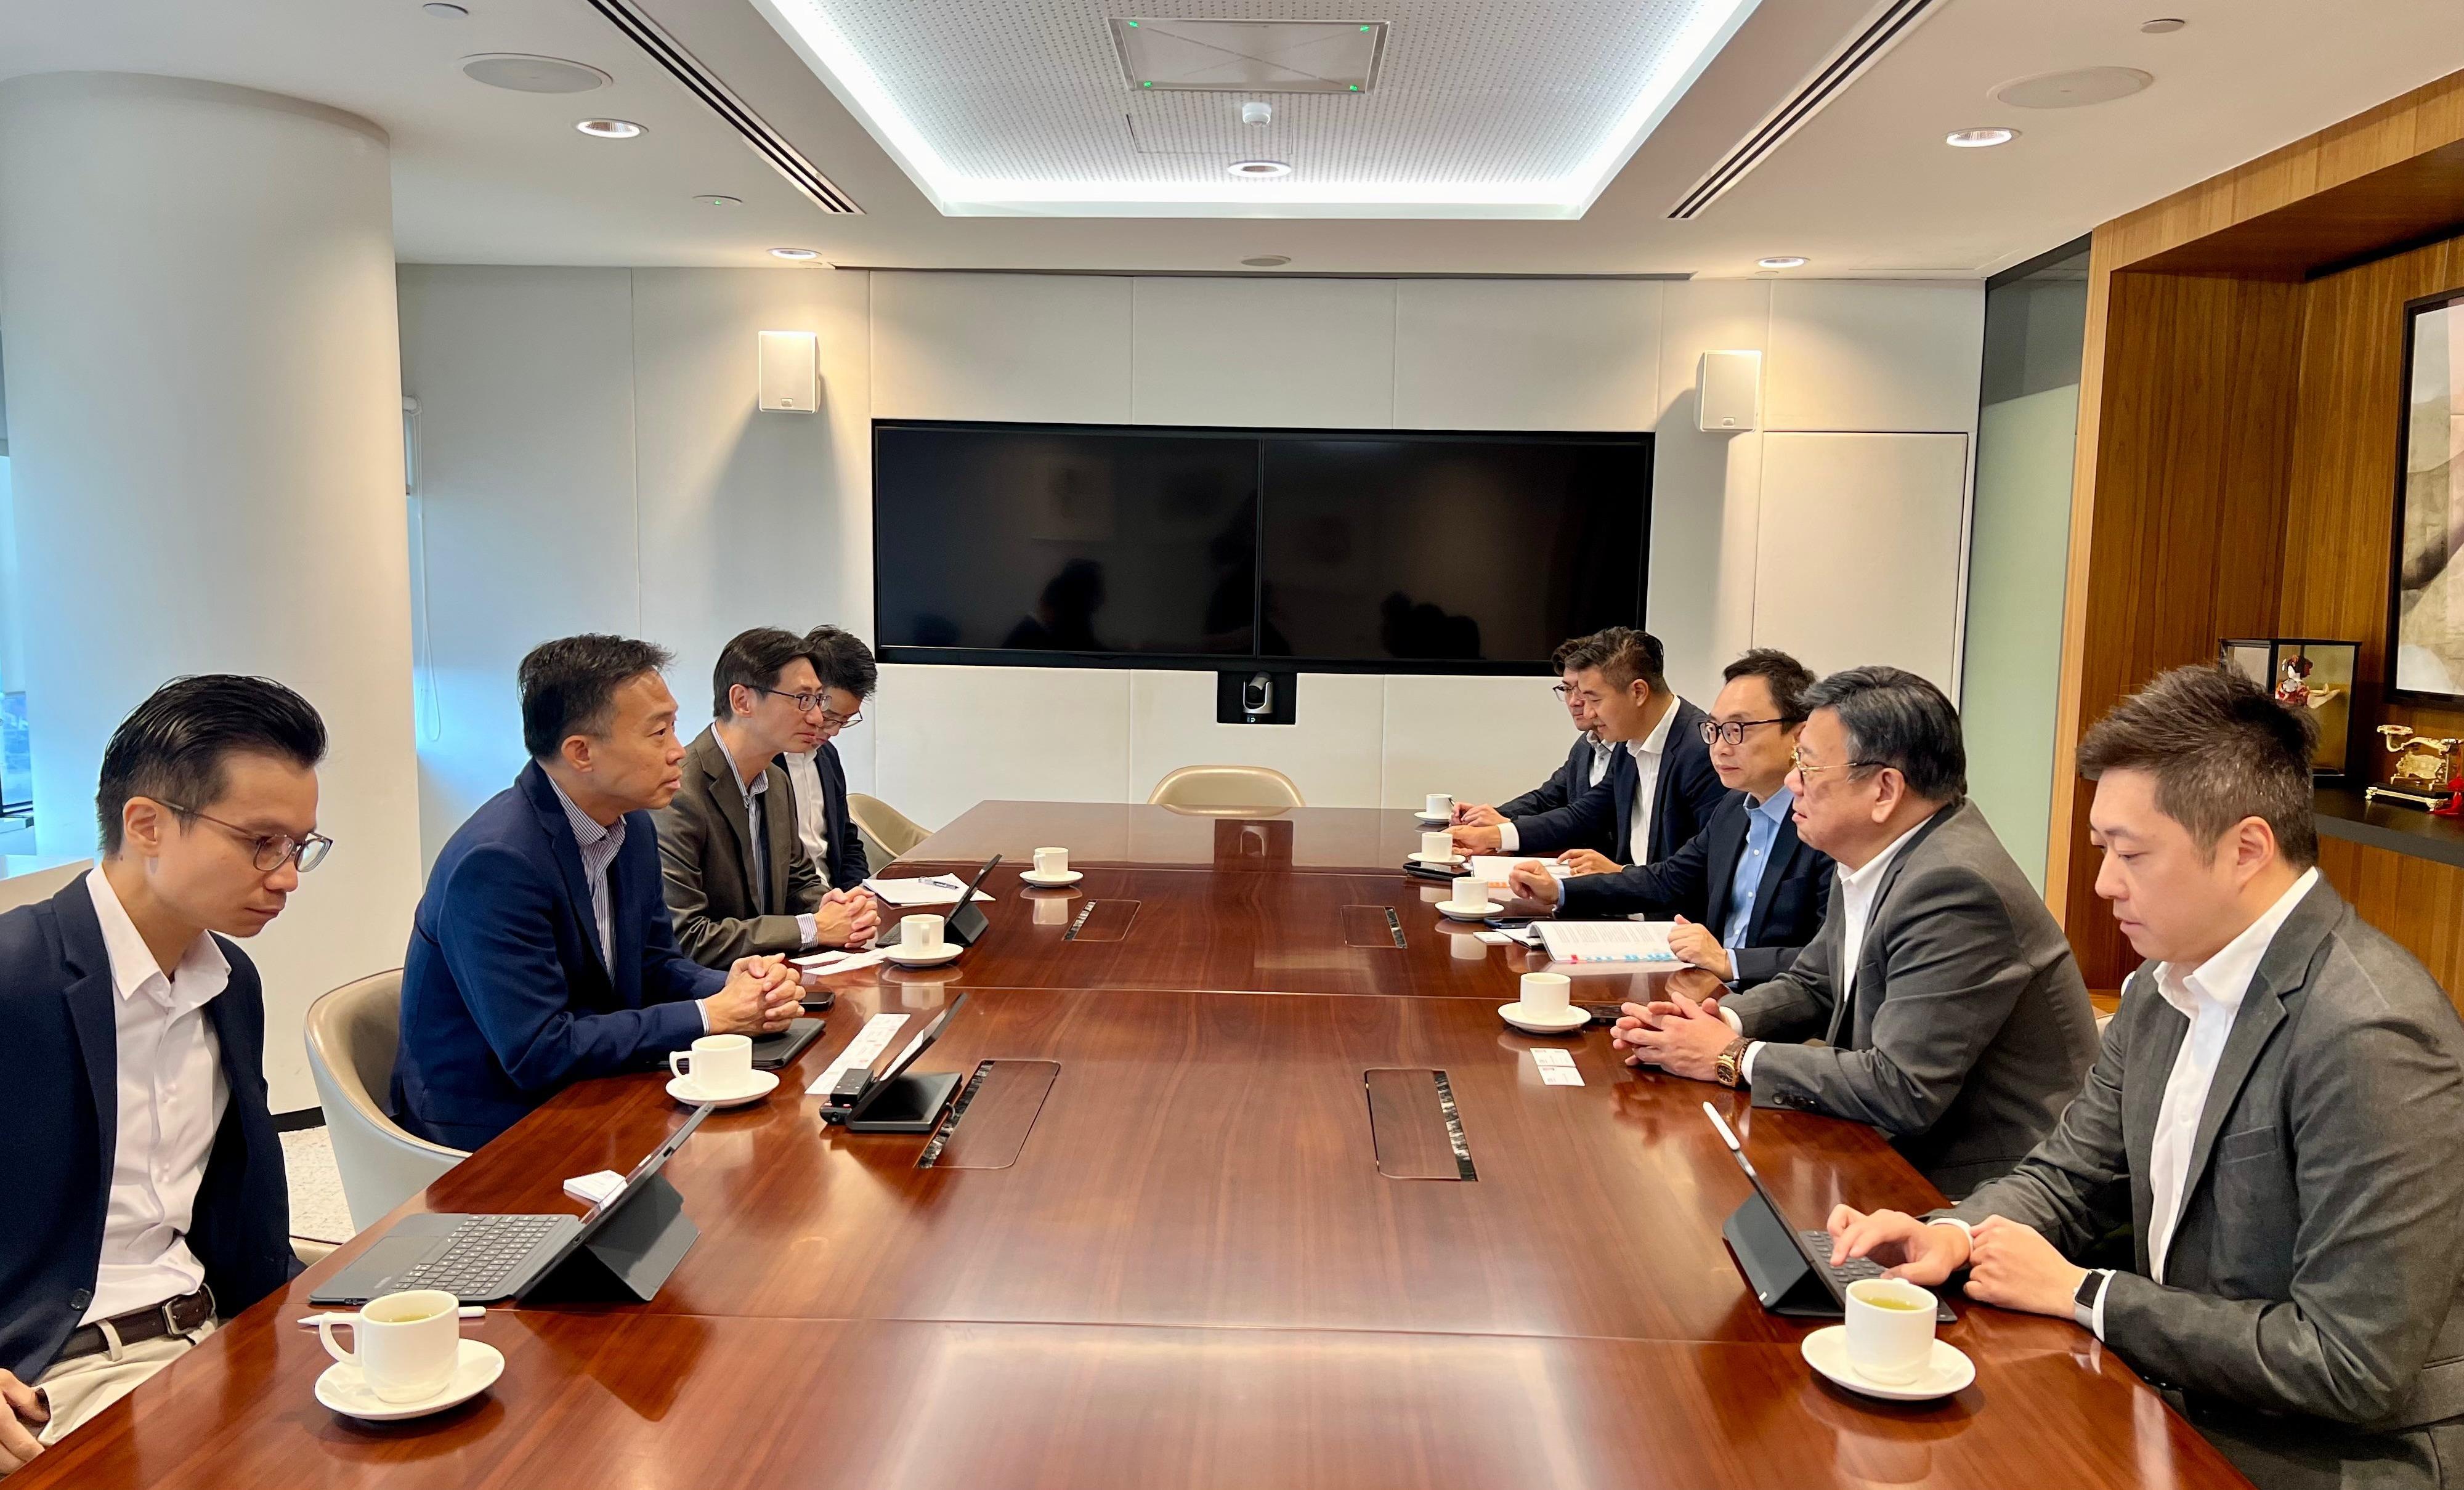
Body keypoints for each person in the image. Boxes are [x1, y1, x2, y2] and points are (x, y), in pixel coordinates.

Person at [1828, 665, 2464, 1489]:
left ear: (2246, 849)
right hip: (2178, 1394)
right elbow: (2072, 1174)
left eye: (2131, 853)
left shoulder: (2369, 1031)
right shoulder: (2164, 984)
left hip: (2325, 1454)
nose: (2103, 884)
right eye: (2103, 849)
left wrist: (2087, 1292)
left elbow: (2350, 1360)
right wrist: (1955, 1231)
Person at [1, 676, 330, 1473]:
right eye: (261, 842)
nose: (286, 875)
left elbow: (239, 1214)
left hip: (215, 1336)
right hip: (58, 1373)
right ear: (146, 823)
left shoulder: (229, 982)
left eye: (299, 846)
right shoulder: (17, 976)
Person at [1615, 665, 2096, 1197]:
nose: (1793, 781)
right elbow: (1814, 985)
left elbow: (1902, 1087)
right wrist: (1710, 1019)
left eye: (1808, 765)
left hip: (1978, 1183)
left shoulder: (1954, 887)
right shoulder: (1876, 850)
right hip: (1884, 1142)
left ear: (1884, 789)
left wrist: (1731, 1054)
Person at [392, 635, 802, 1149]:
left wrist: (729, 985)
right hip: (496, 1127)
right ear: (581, 752)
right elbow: (538, 1051)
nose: (679, 751)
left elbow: (655, 965)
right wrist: (709, 1015)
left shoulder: (632, 826)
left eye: (674, 726)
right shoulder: (498, 861)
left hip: (593, 1086)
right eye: (658, 732)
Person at [1509, 648, 1833, 983]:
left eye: (1737, 729)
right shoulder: (1735, 808)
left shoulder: (1826, 828)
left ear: (1798, 735)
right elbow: (1666, 879)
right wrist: (1560, 891)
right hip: (1707, 985)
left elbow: (1831, 960)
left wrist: (1729, 962)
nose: (1720, 747)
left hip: (1774, 1007)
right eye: (1716, 729)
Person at [652, 628, 877, 967]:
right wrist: (814, 928)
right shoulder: (677, 791)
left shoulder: (775, 780)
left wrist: (839, 909)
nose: (817, 718)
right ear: (742, 701)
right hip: (714, 993)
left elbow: (799, 881)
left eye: (818, 700)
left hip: (774, 976)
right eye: (803, 699)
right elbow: (687, 937)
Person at [1451, 628, 1724, 870]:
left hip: (1669, 920)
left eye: (1594, 698)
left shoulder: (1702, 749)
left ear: (1638, 692)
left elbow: (1703, 868)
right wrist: (1491, 836)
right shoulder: (1629, 741)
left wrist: (1618, 876)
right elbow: (1584, 814)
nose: (1587, 710)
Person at [1453, 635, 1613, 831]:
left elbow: (1584, 819)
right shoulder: (1586, 744)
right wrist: (1490, 816)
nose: (1574, 701)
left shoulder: (1629, 749)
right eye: (1567, 689)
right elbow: (1545, 799)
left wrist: (1507, 826)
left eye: (1583, 690)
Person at [780, 625, 878, 891]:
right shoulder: (765, 762)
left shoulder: (827, 756)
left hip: (836, 908)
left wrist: (856, 893)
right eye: (831, 715)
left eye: (844, 720)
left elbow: (847, 841)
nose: (833, 730)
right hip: (796, 915)